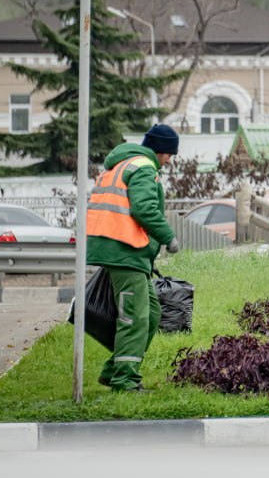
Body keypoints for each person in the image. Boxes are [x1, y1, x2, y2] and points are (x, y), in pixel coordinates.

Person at [86, 123, 180, 392]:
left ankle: (115, 370)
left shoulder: (122, 164)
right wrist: (167, 237)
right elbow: (143, 208)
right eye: (169, 154)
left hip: (123, 251)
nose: (169, 160)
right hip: (124, 251)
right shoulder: (144, 168)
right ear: (160, 150)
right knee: (134, 317)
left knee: (150, 313)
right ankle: (125, 381)